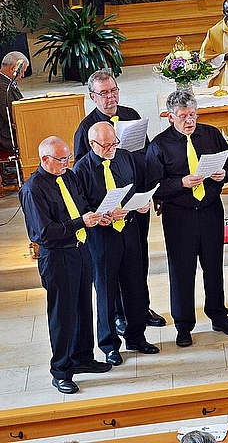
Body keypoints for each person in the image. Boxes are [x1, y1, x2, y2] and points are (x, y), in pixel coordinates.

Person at [147, 90, 228, 347]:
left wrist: (225, 174)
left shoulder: (210, 134)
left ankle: (218, 316)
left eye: (193, 115)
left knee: (213, 266)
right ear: (170, 117)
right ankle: (183, 325)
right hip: (179, 216)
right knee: (182, 271)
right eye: (183, 116)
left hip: (211, 210)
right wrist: (181, 182)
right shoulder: (159, 145)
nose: (189, 121)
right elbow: (153, 186)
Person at [74, 69, 167, 332]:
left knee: (139, 259)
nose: (110, 97)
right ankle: (116, 313)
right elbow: (82, 175)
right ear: (93, 97)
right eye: (104, 93)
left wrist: (152, 194)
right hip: (107, 212)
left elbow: (148, 156)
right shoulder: (86, 129)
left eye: (114, 90)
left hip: (135, 203)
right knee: (109, 267)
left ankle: (140, 307)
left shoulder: (131, 115)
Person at [19, 136, 112, 394]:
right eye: (61, 159)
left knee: (84, 307)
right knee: (63, 315)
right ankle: (61, 370)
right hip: (57, 257)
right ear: (44, 159)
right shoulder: (33, 189)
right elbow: (43, 233)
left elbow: (81, 206)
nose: (67, 163)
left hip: (81, 250)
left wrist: (97, 217)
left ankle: (83, 357)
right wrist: (81, 222)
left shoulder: (68, 177)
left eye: (68, 157)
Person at [73, 122, 160, 366]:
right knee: (106, 292)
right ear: (92, 144)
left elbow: (135, 188)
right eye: (107, 145)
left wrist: (141, 204)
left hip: (129, 230)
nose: (112, 148)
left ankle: (136, 337)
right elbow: (82, 207)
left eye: (114, 142)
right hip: (102, 238)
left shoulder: (125, 158)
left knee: (135, 286)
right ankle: (109, 345)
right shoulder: (81, 170)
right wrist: (100, 216)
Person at [0, 51, 28, 197]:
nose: (22, 76)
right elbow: (13, 117)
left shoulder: (6, 83)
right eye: (21, 72)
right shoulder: (2, 87)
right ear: (13, 69)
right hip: (6, 138)